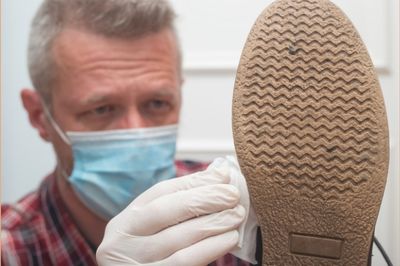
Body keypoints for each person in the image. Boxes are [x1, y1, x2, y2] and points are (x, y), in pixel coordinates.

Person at [1, 0, 251, 265]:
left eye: (157, 103)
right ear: (39, 116)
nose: (138, 133)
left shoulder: (235, 216)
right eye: (102, 109)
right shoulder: (10, 251)